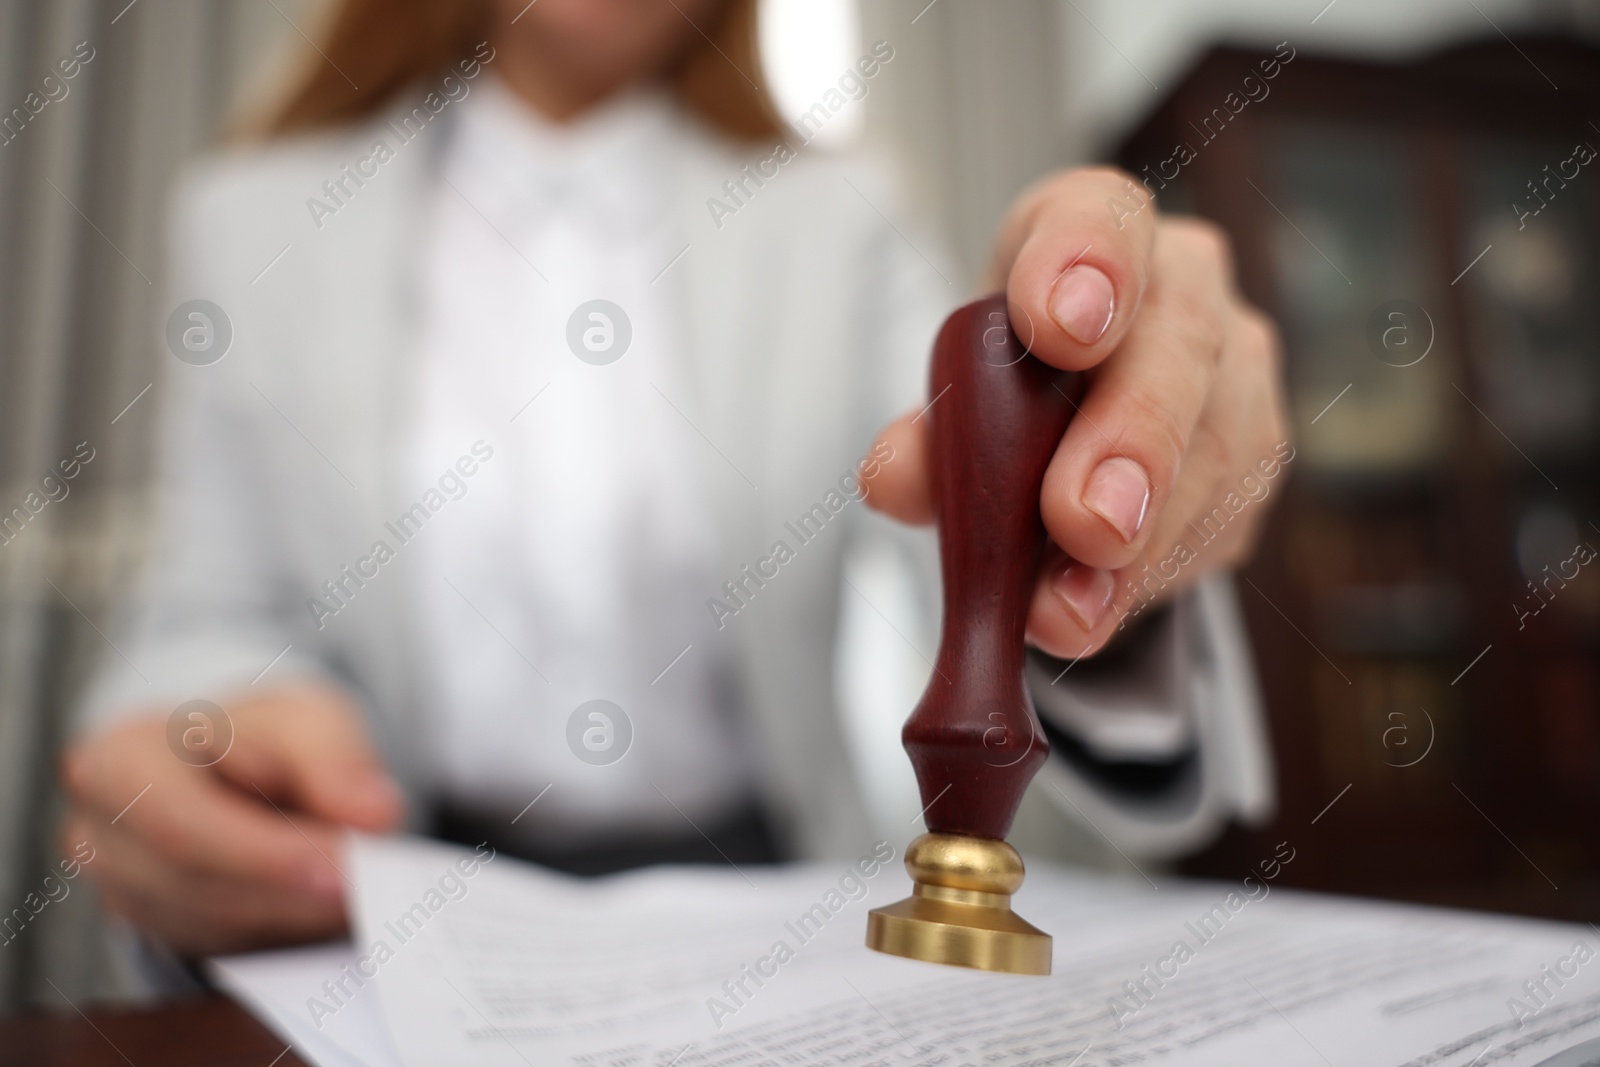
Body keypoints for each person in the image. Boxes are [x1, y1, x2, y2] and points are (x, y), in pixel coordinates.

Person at [61, 0, 1288, 959]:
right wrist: (213, 731)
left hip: (770, 904)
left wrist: (1100, 486)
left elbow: (957, 526)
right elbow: (209, 606)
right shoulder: (250, 220)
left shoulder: (840, 216)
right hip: (399, 896)